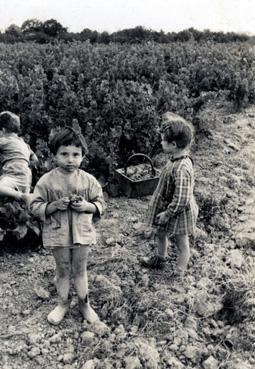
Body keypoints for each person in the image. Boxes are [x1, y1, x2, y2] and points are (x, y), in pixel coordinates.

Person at [29, 127, 105, 325]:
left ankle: (84, 305)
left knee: (80, 269)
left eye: (75, 155)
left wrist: (86, 206)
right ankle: (62, 303)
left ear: (82, 156)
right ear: (54, 155)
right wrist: (54, 206)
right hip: (58, 234)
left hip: (82, 233)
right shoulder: (46, 181)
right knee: (62, 269)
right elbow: (34, 205)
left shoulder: (89, 180)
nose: (70, 159)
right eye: (64, 154)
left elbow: (100, 203)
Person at [140, 112, 198, 277]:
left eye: (163, 140)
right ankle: (160, 259)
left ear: (173, 144)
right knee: (161, 232)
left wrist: (168, 213)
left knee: (182, 243)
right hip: (169, 208)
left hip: (179, 212)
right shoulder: (175, 159)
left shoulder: (181, 168)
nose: (160, 142)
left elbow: (182, 199)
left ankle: (179, 273)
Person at [0, 111, 38, 201]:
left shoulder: (4, 140)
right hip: (27, 175)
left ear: (3, 131)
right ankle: (26, 197)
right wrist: (23, 164)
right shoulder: (24, 143)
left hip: (13, 172)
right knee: (24, 206)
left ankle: (18, 195)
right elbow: (35, 159)